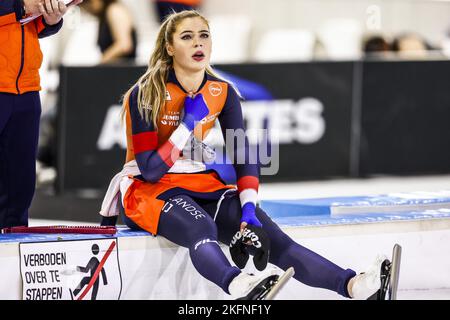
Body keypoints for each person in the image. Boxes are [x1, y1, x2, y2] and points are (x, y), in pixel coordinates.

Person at [99, 10, 392, 300]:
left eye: (204, 36)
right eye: (187, 37)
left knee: (272, 236)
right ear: (170, 47)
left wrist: (249, 207)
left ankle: (354, 286)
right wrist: (188, 124)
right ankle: (238, 285)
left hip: (198, 182)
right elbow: (150, 170)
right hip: (147, 190)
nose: (198, 43)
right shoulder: (145, 93)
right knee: (202, 227)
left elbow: (243, 156)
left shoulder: (222, 92)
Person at [0, 0, 82, 229]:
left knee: (20, 188)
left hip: (26, 88)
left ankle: (12, 254)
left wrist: (50, 18)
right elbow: (19, 10)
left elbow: (28, 27)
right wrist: (22, 7)